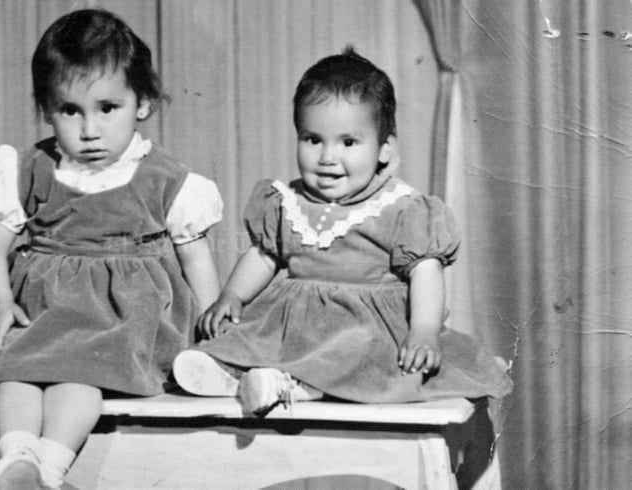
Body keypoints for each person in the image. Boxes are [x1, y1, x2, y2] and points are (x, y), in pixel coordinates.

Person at [0, 9, 222, 489]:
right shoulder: (30, 168)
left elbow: (195, 257)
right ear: (47, 108)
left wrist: (213, 332)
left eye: (107, 108)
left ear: (142, 103)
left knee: (79, 376)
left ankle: (49, 464)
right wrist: (2, 302)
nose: (89, 130)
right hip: (40, 311)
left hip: (122, 319)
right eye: (70, 110)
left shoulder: (167, 179)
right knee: (17, 372)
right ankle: (16, 457)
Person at [173, 46, 512, 416]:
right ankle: (232, 375)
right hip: (297, 322)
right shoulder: (286, 202)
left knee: (359, 350)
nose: (327, 157)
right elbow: (264, 255)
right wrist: (232, 296)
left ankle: (294, 386)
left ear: (384, 149)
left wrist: (424, 331)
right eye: (313, 139)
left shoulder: (401, 207)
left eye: (348, 143)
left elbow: (425, 272)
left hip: (364, 323)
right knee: (244, 337)